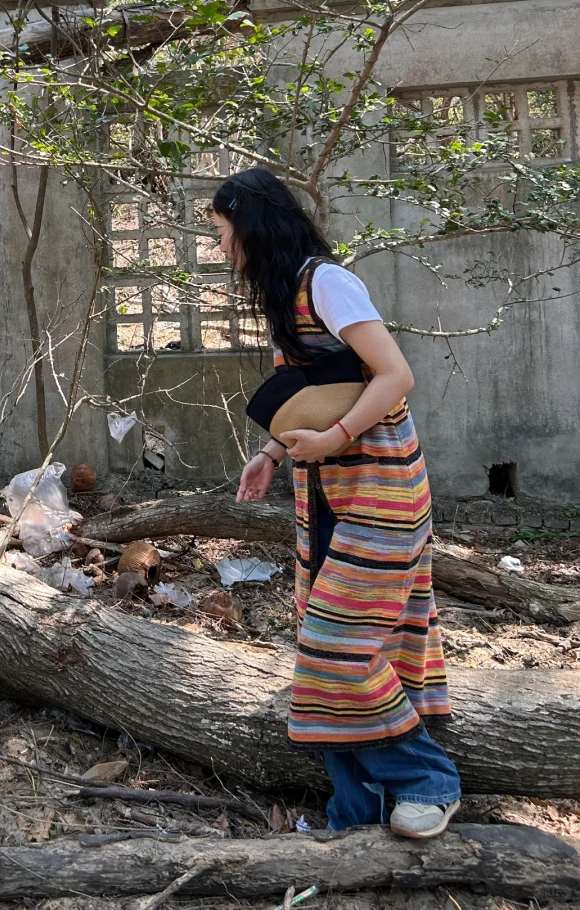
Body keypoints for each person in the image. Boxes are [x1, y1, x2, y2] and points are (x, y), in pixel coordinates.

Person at [211, 167, 461, 838]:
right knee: (317, 650)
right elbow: (302, 389)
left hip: (380, 485)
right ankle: (355, 813)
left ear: (251, 225)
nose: (219, 246)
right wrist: (269, 455)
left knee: (335, 647)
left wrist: (336, 436)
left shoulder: (327, 282)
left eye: (222, 231)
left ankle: (429, 783)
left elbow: (395, 374)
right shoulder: (283, 295)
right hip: (324, 488)